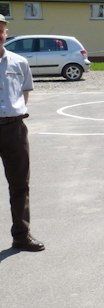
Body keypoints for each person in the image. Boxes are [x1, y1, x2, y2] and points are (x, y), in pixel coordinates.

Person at [0, 15, 44, 252]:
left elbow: (24, 94)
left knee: (19, 184)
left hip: (14, 128)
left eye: (0, 30)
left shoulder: (19, 62)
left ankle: (21, 235)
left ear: (6, 33)